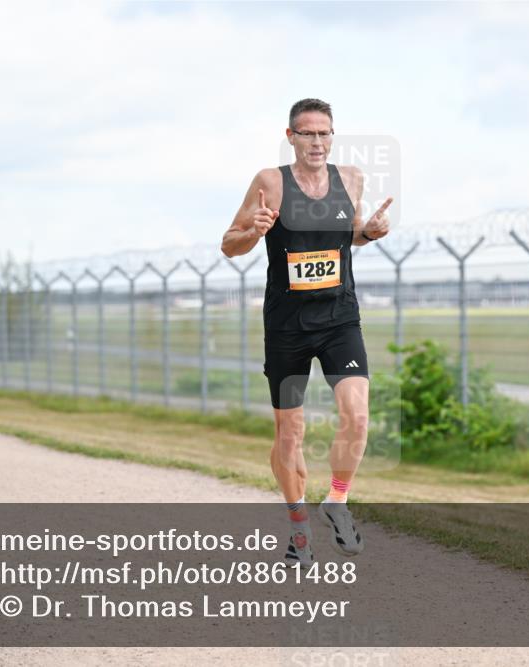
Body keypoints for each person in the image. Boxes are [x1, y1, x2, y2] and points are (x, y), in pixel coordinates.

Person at [220, 98, 392, 567]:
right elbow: (229, 245)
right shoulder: (270, 182)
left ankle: (336, 500)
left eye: (324, 133)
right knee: (290, 433)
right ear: (290, 136)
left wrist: (370, 232)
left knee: (357, 416)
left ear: (332, 136)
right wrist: (253, 231)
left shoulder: (351, 179)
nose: (317, 142)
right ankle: (299, 532)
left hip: (339, 319)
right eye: (307, 133)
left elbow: (347, 234)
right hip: (287, 327)